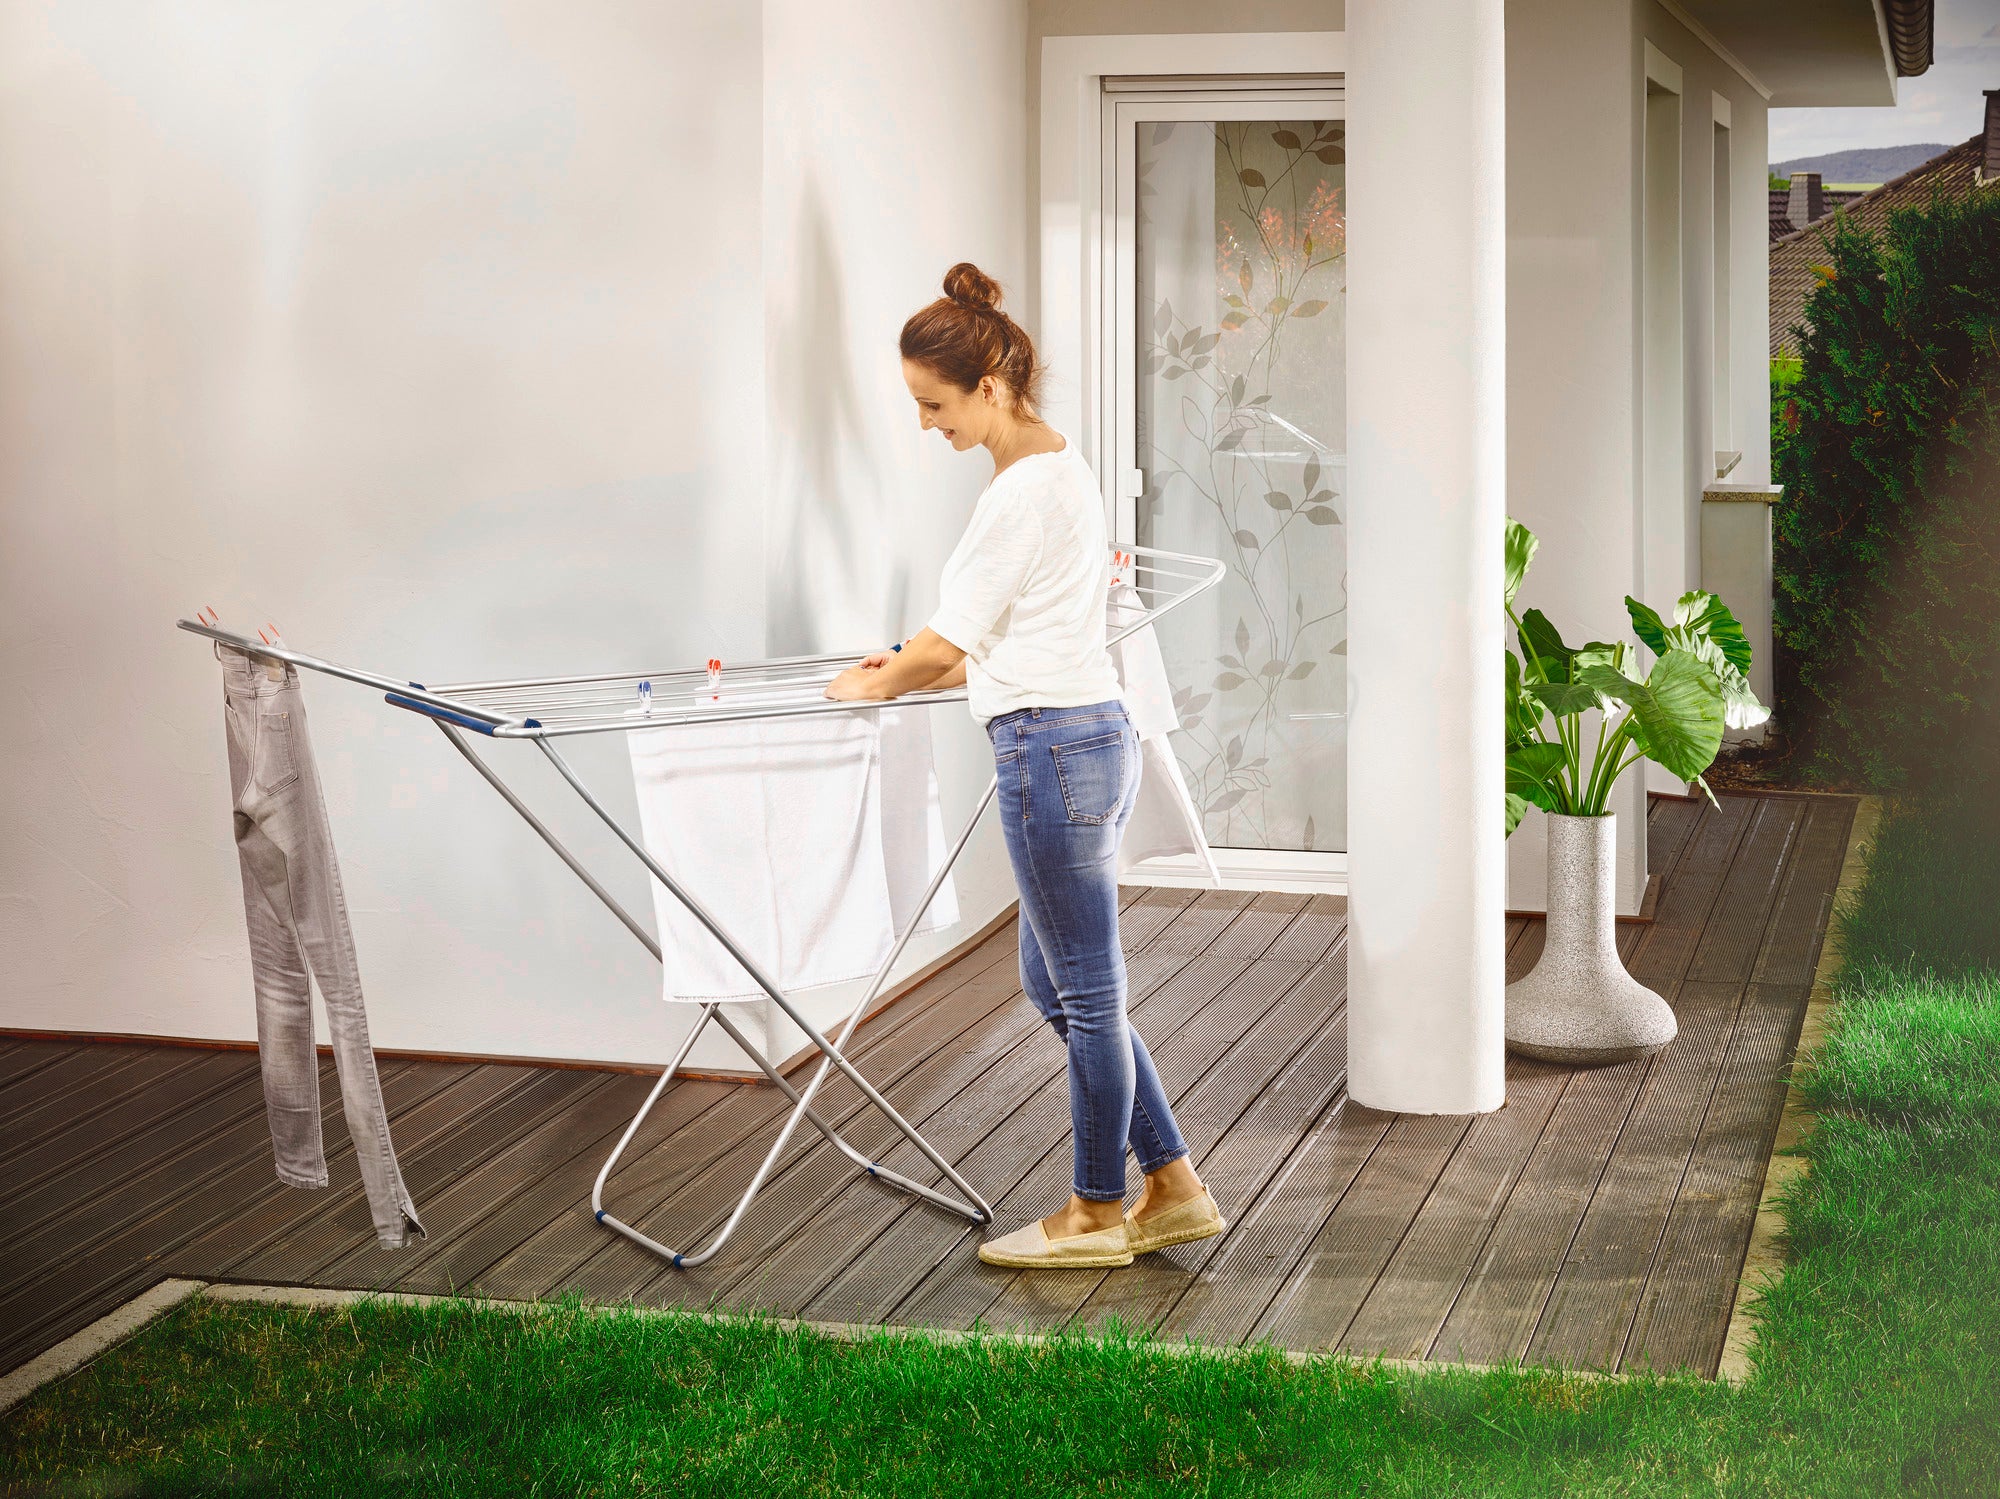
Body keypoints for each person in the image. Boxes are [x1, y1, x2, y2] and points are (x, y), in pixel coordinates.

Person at [823, 261, 1226, 1269]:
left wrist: (866, 684)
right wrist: (904, 664)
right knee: (1057, 987)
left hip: (1051, 748)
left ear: (988, 388)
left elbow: (943, 643)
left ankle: (1093, 1213)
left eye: (933, 404)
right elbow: (963, 644)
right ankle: (1170, 1183)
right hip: (1077, 737)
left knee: (1085, 995)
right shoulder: (1055, 465)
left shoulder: (1017, 496)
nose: (925, 425)